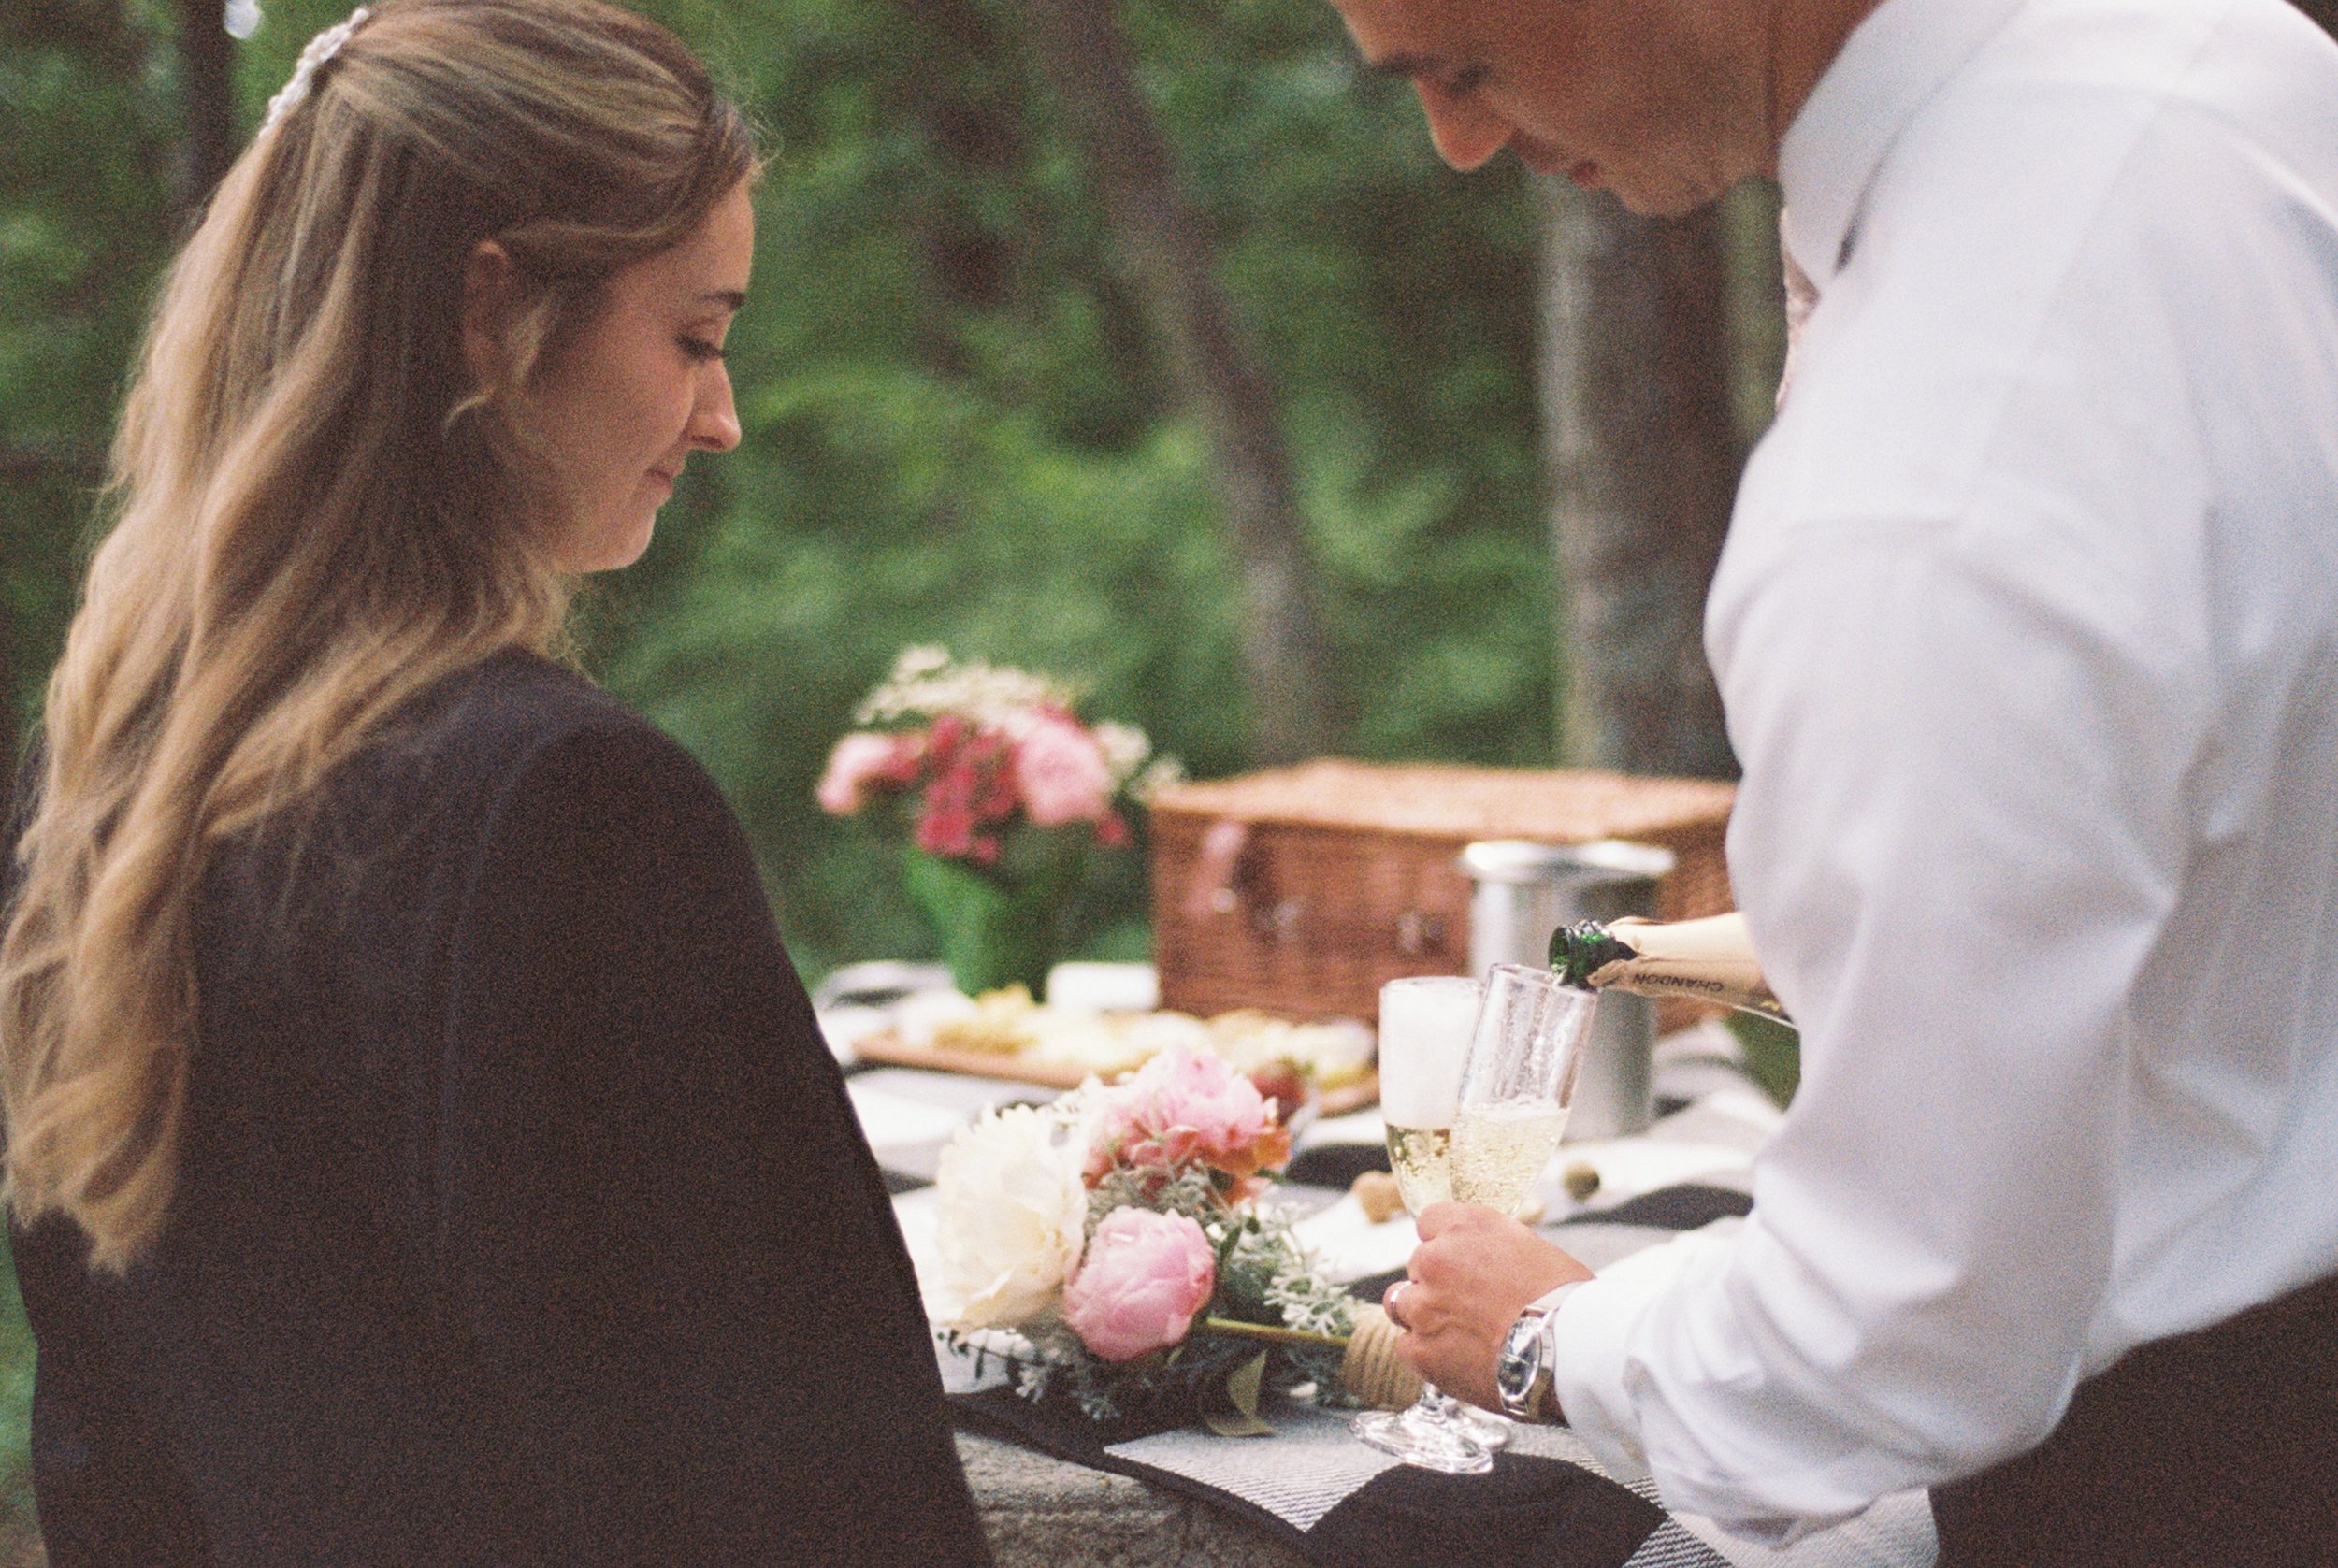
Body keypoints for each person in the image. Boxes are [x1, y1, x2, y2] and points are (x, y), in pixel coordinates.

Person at [1329, 0, 2338, 1561]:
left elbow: (1918, 1322)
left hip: (2207, 1473)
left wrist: (1554, 1342)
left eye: (1465, 64)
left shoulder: (1929, 473)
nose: (1457, 144)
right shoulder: (2228, 54)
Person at [0, 2, 991, 1562]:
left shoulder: (100, 795)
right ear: (492, 313)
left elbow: (107, 1466)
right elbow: (814, 1491)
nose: (720, 416)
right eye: (696, 335)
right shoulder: (567, 811)